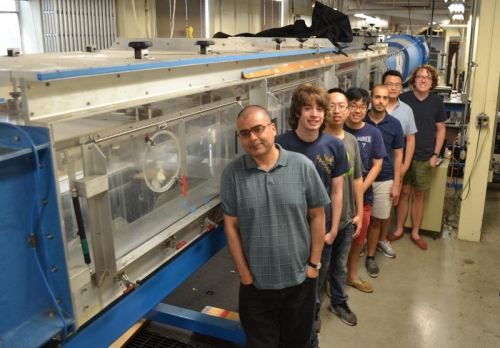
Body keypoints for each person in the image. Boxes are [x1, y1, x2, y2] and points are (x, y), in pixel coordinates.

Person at [220, 105, 330, 348]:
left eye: (258, 129)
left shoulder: (302, 165)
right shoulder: (232, 174)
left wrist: (314, 265)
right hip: (256, 286)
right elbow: (231, 227)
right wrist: (245, 275)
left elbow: (318, 216)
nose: (253, 138)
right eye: (245, 133)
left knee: (297, 342)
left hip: (300, 281)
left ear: (272, 128)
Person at [274, 84, 349, 346]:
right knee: (289, 280)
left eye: (319, 108)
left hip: (322, 229)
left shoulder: (334, 146)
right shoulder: (281, 144)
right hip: (289, 228)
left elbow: (337, 190)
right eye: (308, 108)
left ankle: (312, 312)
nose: (314, 114)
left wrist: (334, 228)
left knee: (315, 276)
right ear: (298, 112)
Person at [393, 65, 447, 250]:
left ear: (432, 83)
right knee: (403, 193)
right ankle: (399, 229)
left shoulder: (436, 102)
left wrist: (435, 154)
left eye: (428, 78)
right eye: (420, 77)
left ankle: (415, 233)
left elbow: (441, 129)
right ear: (414, 80)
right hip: (403, 155)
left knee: (418, 195)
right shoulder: (403, 99)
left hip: (425, 156)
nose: (423, 80)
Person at [323, 88, 364, 327]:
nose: (337, 111)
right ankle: (314, 309)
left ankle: (338, 301)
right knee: (319, 267)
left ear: (348, 111)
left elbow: (357, 178)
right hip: (323, 221)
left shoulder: (351, 141)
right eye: (331, 105)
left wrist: (358, 213)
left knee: (339, 265)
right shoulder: (318, 142)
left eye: (342, 105)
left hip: (347, 218)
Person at [343, 88, 386, 282]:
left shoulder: (373, 133)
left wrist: (361, 187)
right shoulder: (337, 130)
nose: (357, 110)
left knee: (358, 238)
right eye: (353, 105)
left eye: (362, 107)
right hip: (338, 195)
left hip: (364, 195)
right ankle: (332, 279)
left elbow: (378, 163)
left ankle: (352, 275)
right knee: (335, 240)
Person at [363, 85, 404, 277]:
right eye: (377, 97)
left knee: (376, 221)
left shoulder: (394, 124)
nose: (380, 101)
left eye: (385, 98)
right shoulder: (359, 120)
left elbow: (398, 156)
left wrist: (397, 183)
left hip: (384, 178)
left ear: (389, 100)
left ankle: (370, 256)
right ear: (371, 98)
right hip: (360, 178)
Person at [381, 70, 418, 257]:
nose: (393, 88)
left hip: (394, 164)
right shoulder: (375, 106)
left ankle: (383, 238)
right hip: (372, 166)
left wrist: (403, 167)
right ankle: (366, 239)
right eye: (389, 84)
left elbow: (410, 140)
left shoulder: (406, 111)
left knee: (390, 202)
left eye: (397, 85)